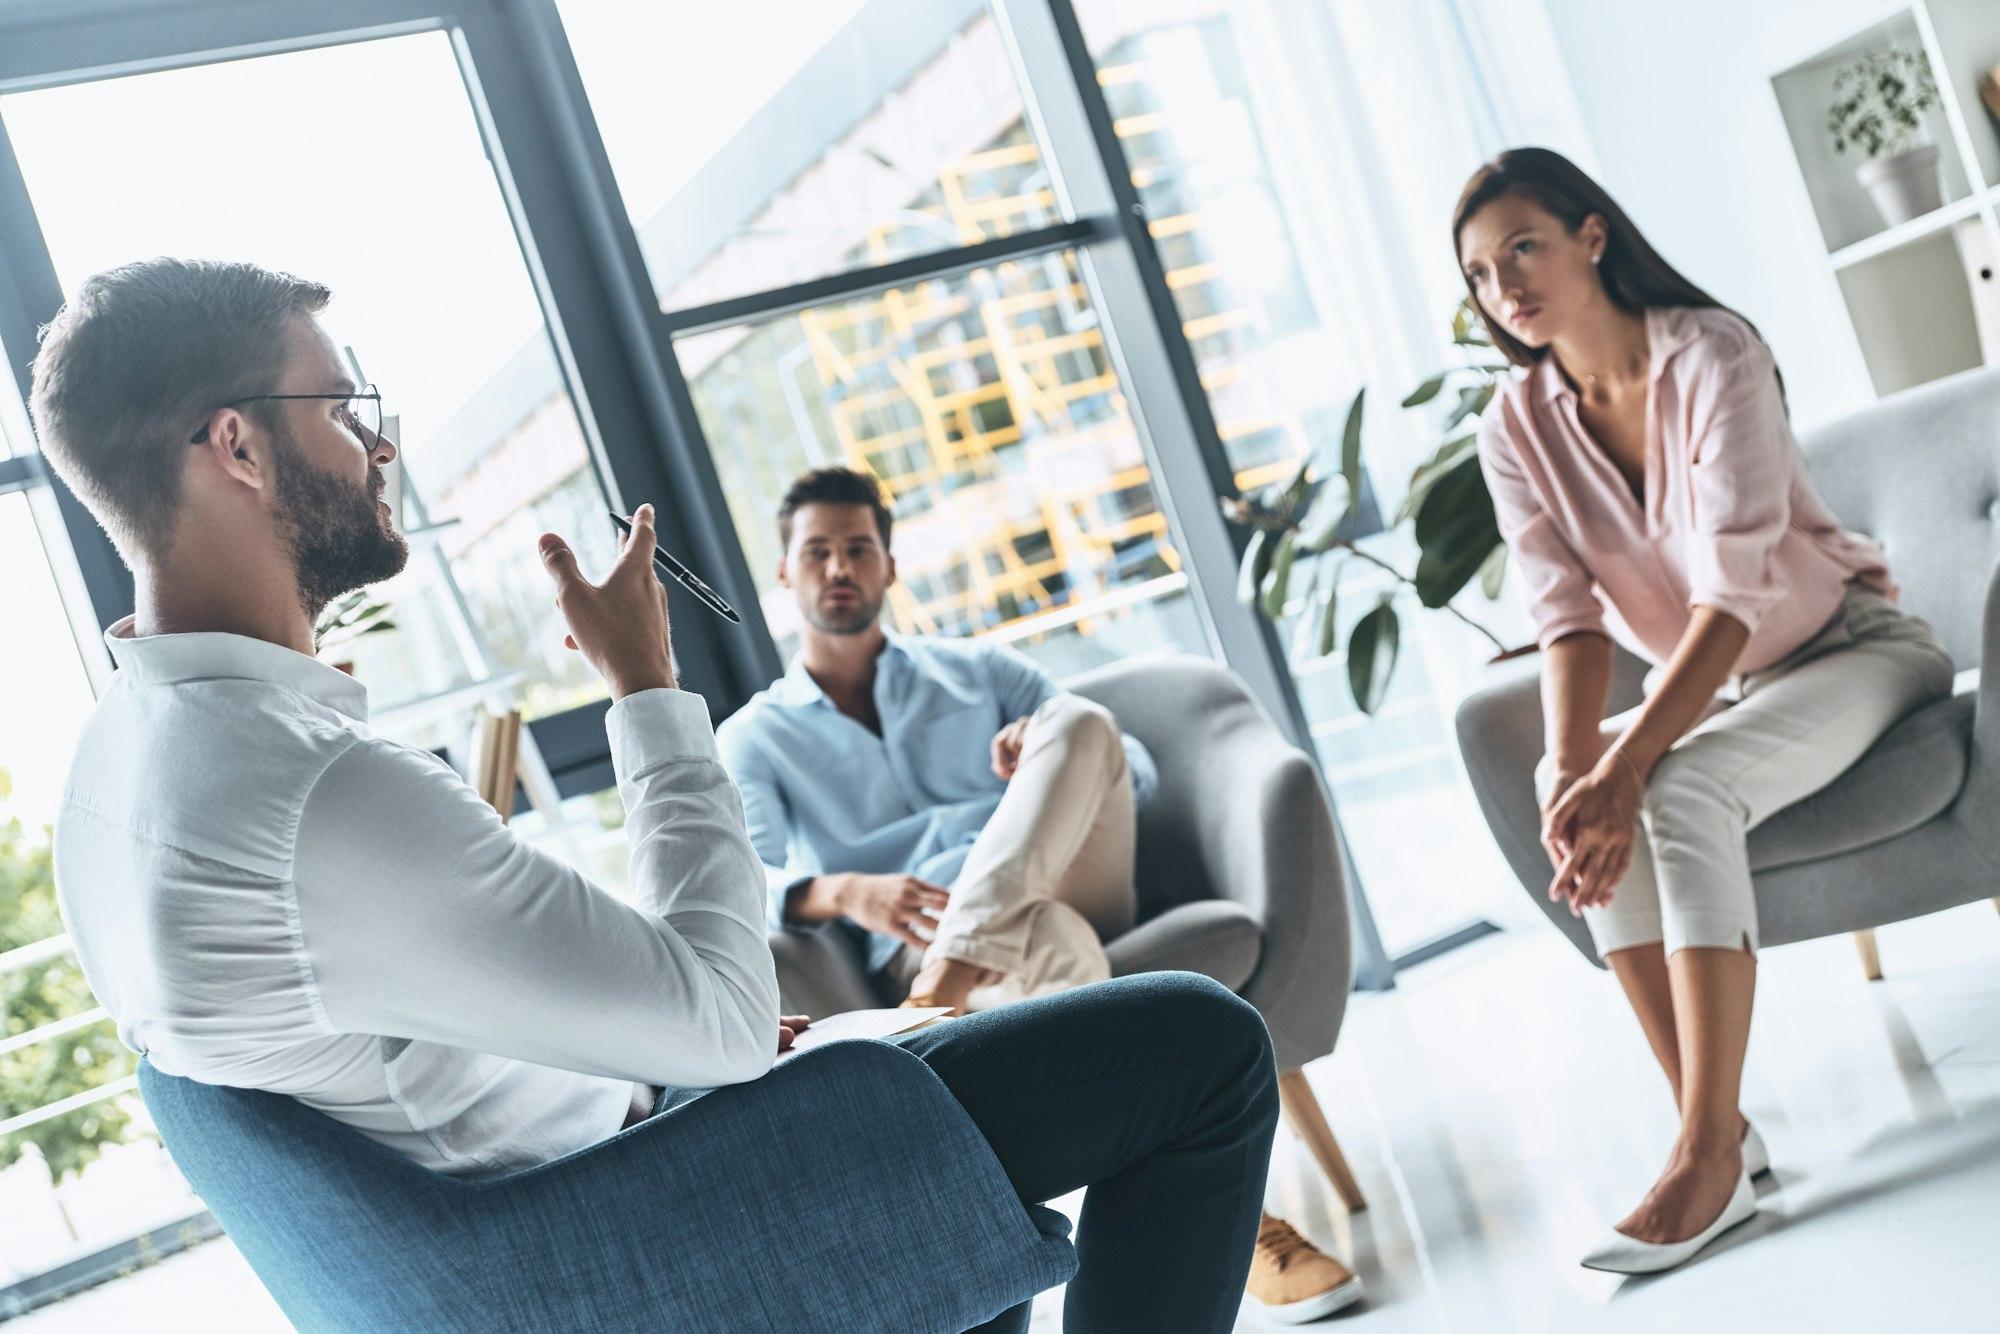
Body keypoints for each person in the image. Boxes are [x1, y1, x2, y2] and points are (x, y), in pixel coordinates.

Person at [39, 257, 1281, 1331]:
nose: (379, 444)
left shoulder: (116, 769)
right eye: (342, 403)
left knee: (962, 1083)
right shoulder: (315, 796)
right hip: (633, 1224)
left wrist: (658, 1037)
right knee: (1199, 1047)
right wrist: (644, 683)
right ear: (237, 446)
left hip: (581, 1171)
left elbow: (408, 1040)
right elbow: (726, 1020)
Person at [1457, 149, 1955, 1274]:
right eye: (1480, 274)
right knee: (1565, 781)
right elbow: (1566, 619)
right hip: (1735, 691)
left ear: (1591, 236)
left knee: (1673, 787)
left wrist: (1625, 764)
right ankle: (1719, 1133)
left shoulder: (1714, 353)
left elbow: (1730, 599)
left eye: (1523, 248)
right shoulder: (1514, 424)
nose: (1504, 287)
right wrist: (1573, 768)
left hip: (1854, 650)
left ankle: (1700, 1154)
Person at [717, 466, 1364, 1323]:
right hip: (932, 933)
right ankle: (1239, 1227)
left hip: (1066, 879)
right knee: (1049, 938)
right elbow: (744, 881)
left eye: (859, 549)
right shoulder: (756, 736)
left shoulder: (976, 669)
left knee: (1080, 721)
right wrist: (839, 890)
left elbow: (1131, 769)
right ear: (785, 572)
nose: (839, 568)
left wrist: (1036, 751)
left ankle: (942, 991)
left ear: (890, 566)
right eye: (818, 552)